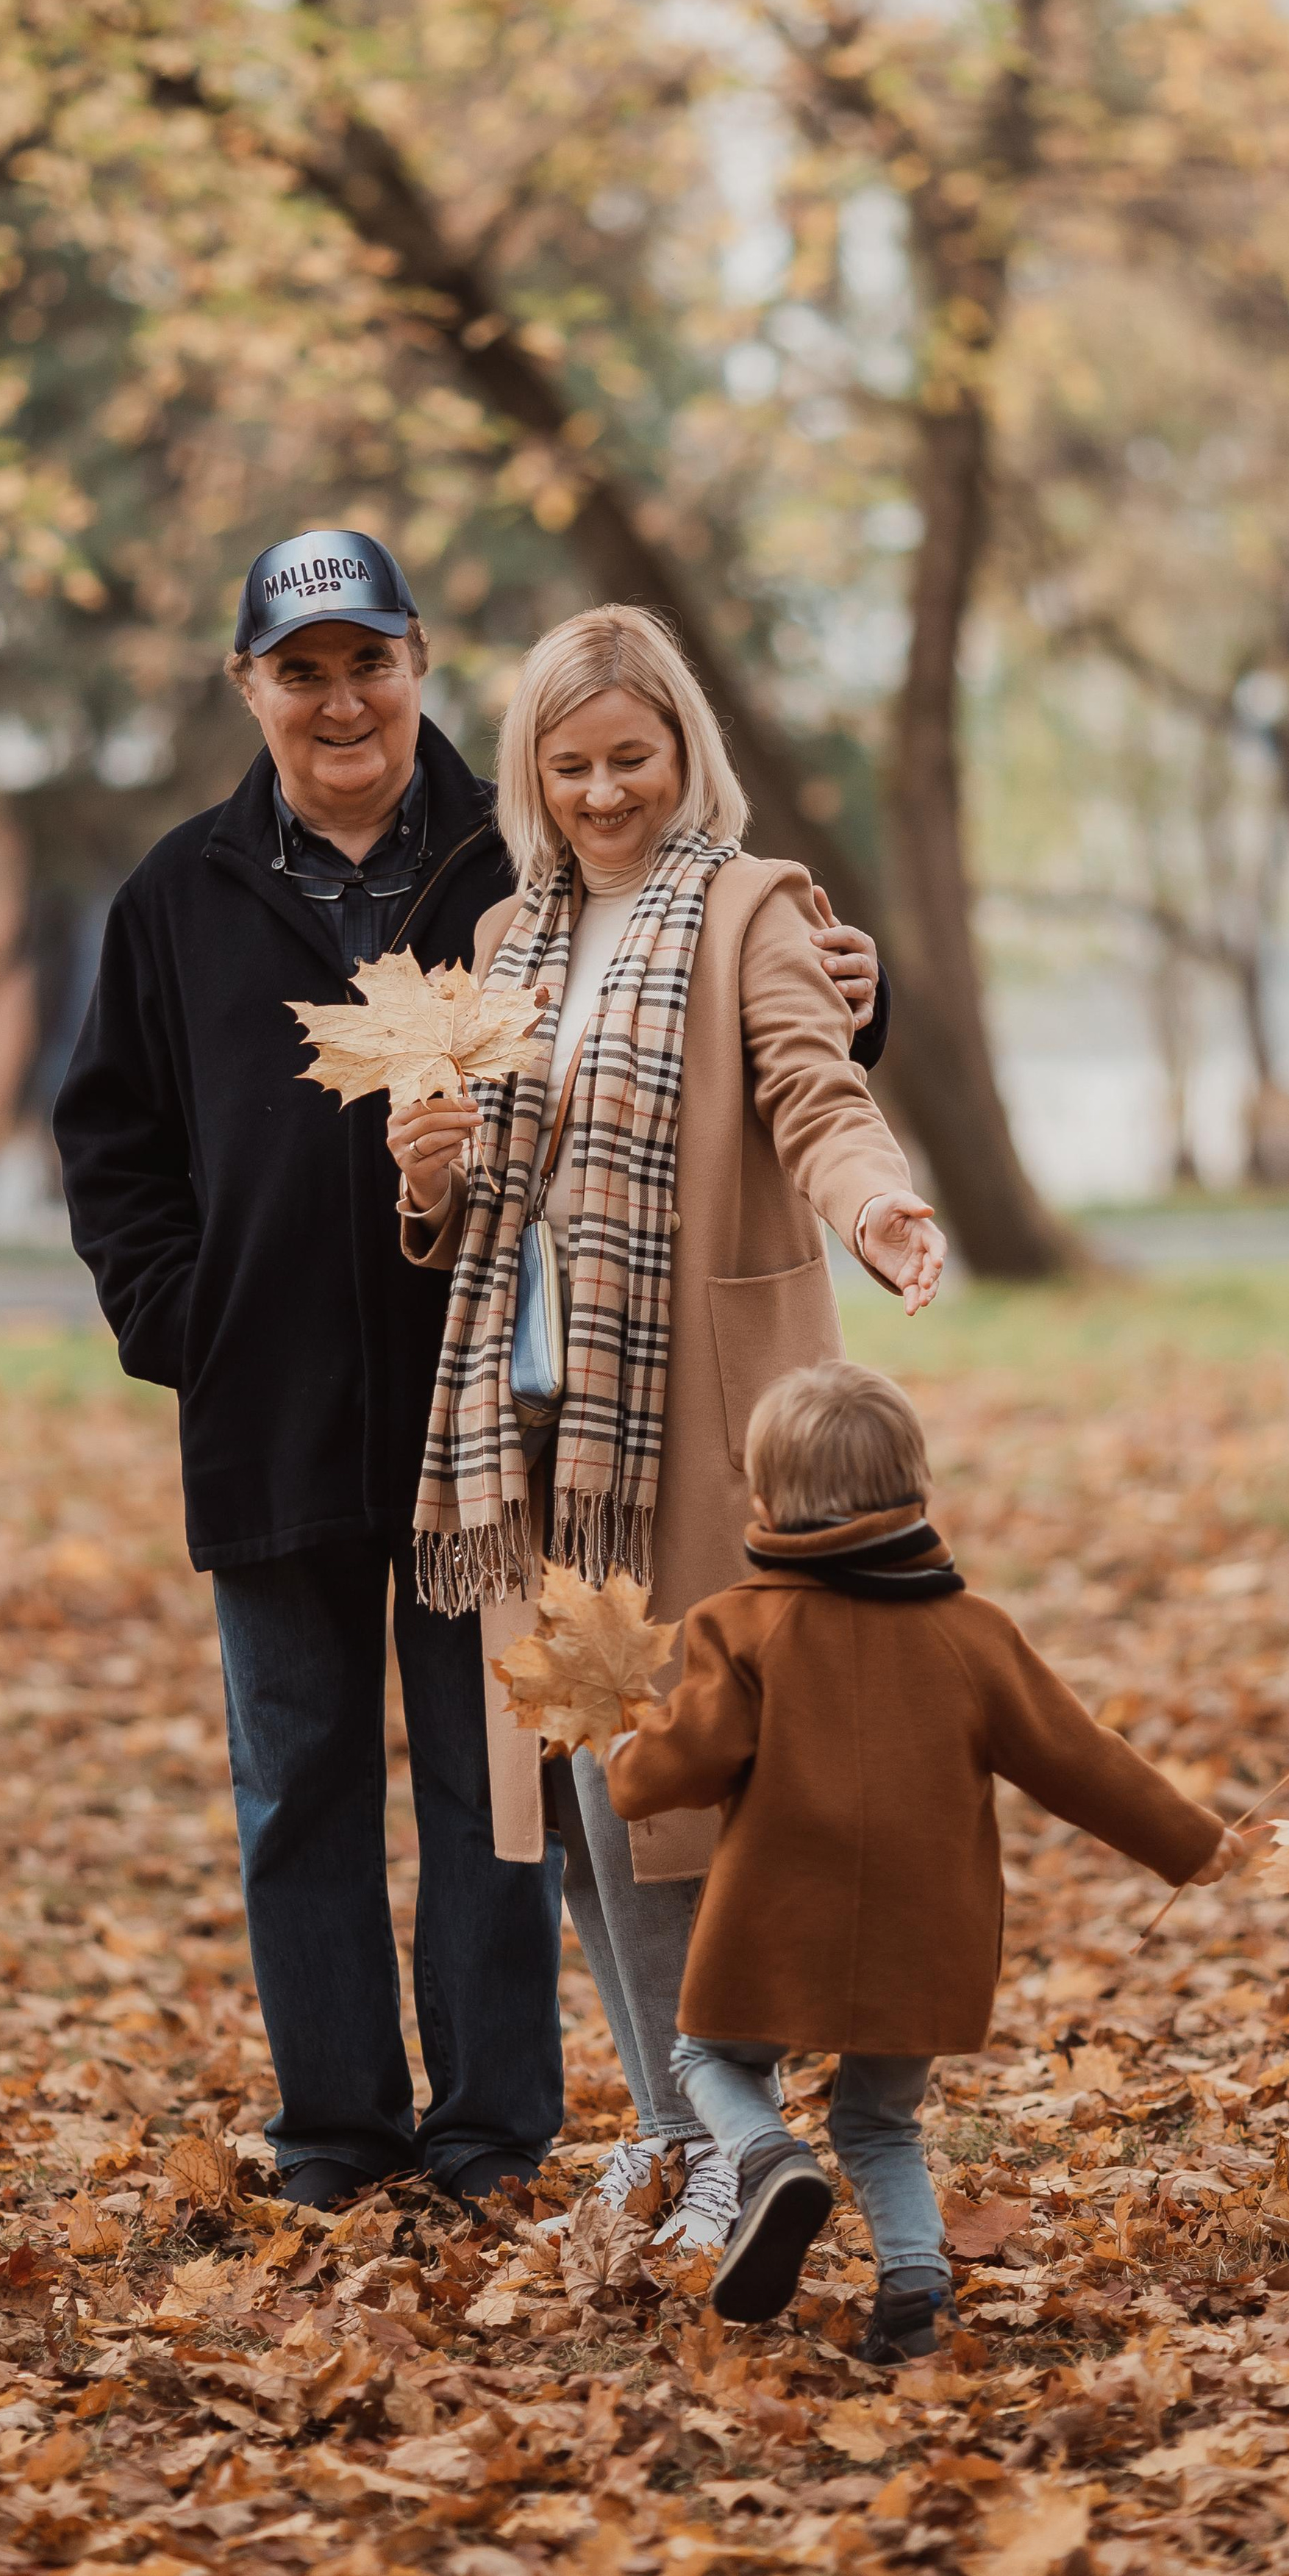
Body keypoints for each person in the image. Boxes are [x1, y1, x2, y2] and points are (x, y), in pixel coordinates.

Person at [54, 534, 886, 2215]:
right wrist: (182, 1322)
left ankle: (491, 2136)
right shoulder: (177, 891)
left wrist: (857, 1008)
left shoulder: (516, 864)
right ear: (252, 689)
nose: (339, 698)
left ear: (419, 661)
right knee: (294, 1787)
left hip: (489, 1426)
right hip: (268, 1408)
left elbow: (710, 1000)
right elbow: (111, 1141)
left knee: (497, 1791)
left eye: (367, 660)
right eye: (301, 669)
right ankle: (338, 2140)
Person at [390, 604, 944, 2250]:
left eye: (630, 758)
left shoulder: (753, 908)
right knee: (581, 1797)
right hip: (536, 1439)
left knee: (687, 1790)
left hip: (693, 1433)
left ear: (681, 752)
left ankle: (731, 2128)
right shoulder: (501, 949)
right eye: (570, 767)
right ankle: (687, 2134)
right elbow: (471, 1192)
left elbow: (812, 1088)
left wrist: (880, 1206)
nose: (603, 792)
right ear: (532, 776)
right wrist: (426, 1168)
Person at [607, 1358, 1251, 2345]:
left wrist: (624, 1762)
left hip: (776, 1923)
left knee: (706, 2055)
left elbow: (683, 1764)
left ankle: (768, 2158)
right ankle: (914, 2293)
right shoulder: (974, 1633)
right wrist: (1192, 1841)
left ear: (767, 1499)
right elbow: (1079, 1760)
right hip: (923, 1938)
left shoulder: (740, 1626)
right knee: (879, 2124)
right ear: (919, 1490)